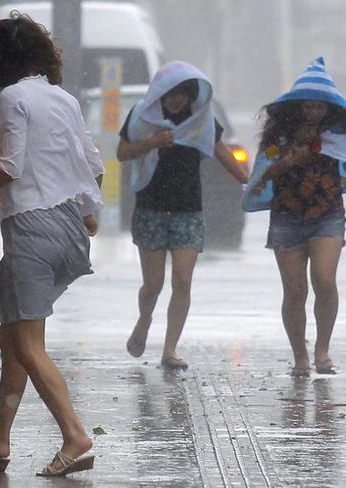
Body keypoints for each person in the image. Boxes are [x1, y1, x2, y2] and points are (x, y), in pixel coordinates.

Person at [0, 12, 102, 476]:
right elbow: (94, 164)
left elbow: (11, 167)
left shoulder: (13, 98)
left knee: (28, 344)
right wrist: (89, 214)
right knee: (13, 332)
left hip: (32, 228)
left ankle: (74, 435)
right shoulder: (64, 99)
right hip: (67, 225)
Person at [244, 57, 346, 377]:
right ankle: (300, 355)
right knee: (295, 290)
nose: (313, 111)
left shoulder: (339, 134)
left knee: (325, 281)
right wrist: (287, 163)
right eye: (308, 105)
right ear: (298, 105)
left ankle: (322, 350)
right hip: (286, 218)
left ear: (329, 107)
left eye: (319, 106)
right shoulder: (278, 136)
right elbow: (260, 177)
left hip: (327, 215)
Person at [118, 61, 249, 371]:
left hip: (188, 210)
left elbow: (224, 154)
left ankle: (170, 349)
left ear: (192, 97)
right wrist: (151, 143)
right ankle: (144, 319)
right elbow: (122, 152)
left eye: (183, 95)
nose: (176, 100)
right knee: (153, 284)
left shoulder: (202, 122)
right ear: (161, 95)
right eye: (171, 94)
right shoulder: (142, 117)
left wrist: (250, 180)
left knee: (183, 280)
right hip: (150, 208)